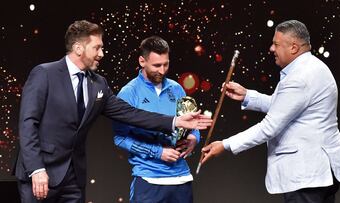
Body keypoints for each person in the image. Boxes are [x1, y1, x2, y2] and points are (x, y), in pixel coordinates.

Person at [15, 20, 212, 203]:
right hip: (41, 173)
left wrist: (175, 122)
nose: (102, 53)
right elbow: (27, 123)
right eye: (97, 48)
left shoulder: (98, 84)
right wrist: (36, 169)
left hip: (74, 177)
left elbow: (130, 114)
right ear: (78, 48)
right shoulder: (44, 74)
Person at [201, 20, 340, 203]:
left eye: (276, 44)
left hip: (307, 176)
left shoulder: (300, 77)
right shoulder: (312, 67)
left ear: (294, 48)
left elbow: (269, 127)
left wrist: (225, 145)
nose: (272, 48)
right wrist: (248, 95)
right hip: (319, 171)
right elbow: (287, 106)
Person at [113, 36, 198, 203]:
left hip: (182, 179)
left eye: (166, 64)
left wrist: (194, 138)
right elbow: (120, 138)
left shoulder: (177, 88)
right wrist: (158, 153)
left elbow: (190, 125)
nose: (162, 70)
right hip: (149, 180)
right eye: (157, 65)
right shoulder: (128, 93)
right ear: (142, 61)